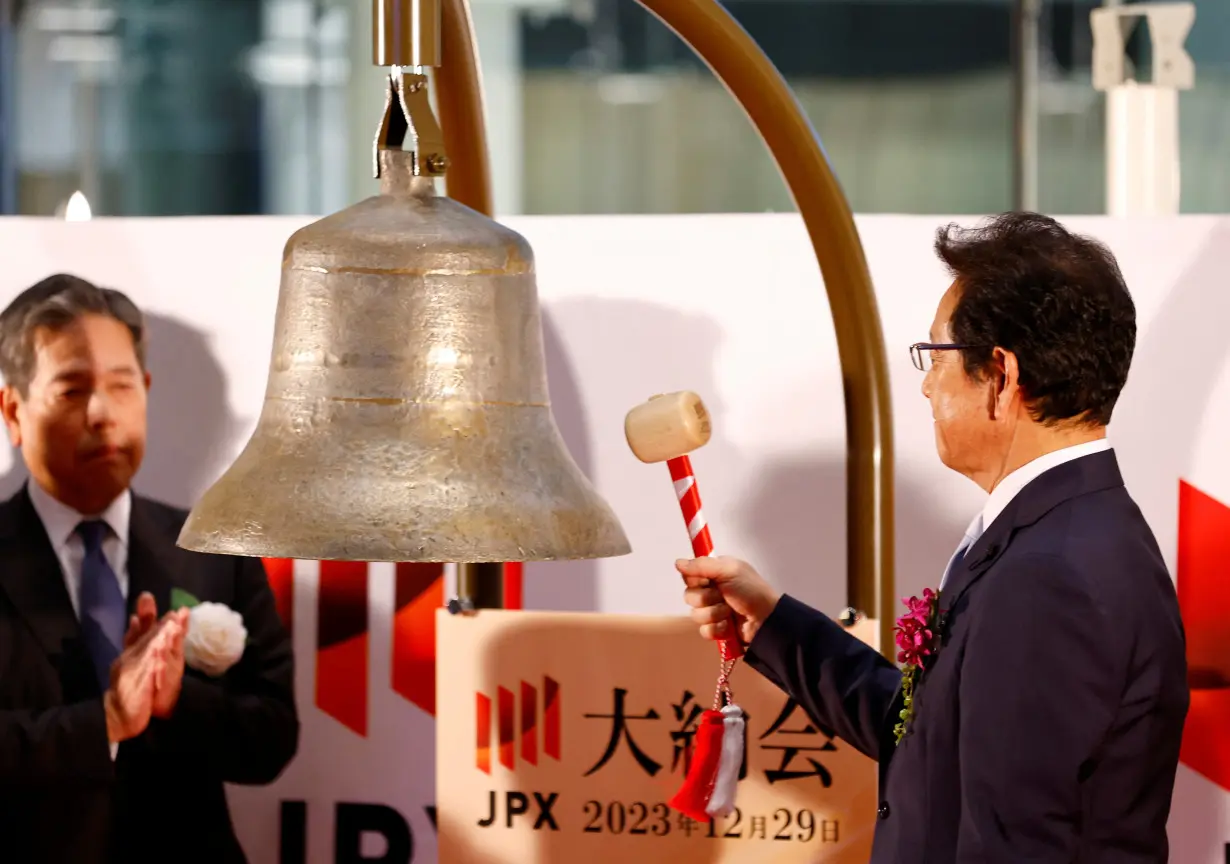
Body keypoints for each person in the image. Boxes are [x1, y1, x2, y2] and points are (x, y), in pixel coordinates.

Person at [679, 212, 1189, 863]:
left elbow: (1012, 843)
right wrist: (771, 623)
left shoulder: (1050, 575)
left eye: (936, 354)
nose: (925, 384)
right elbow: (927, 734)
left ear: (1001, 376)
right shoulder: (1059, 534)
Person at [0, 274, 299, 863]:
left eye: (122, 386)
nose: (103, 414)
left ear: (147, 389)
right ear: (13, 409)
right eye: (71, 389)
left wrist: (176, 702)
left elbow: (272, 740)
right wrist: (104, 722)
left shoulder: (212, 546)